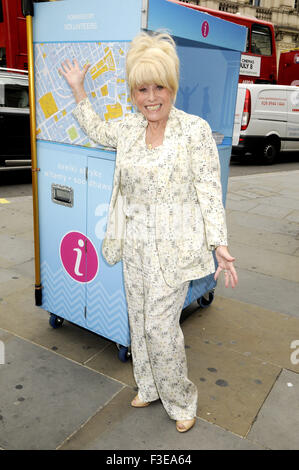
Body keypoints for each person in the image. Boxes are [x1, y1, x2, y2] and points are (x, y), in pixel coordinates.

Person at [59, 31, 238, 433]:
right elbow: (97, 130)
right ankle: (149, 386)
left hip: (173, 251)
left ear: (172, 86)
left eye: (159, 87)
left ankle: (180, 399)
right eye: (142, 88)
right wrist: (78, 91)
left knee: (160, 328)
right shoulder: (128, 129)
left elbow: (210, 191)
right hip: (135, 245)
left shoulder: (194, 131)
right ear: (134, 92)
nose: (151, 97)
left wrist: (220, 244)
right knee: (138, 320)